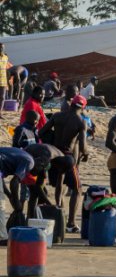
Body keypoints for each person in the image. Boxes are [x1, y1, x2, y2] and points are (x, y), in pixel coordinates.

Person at [38, 95, 89, 233]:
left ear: (71, 104)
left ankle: (59, 209)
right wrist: (87, 154)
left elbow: (41, 132)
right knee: (78, 189)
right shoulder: (81, 122)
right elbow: (83, 147)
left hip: (54, 155)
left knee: (60, 180)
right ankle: (71, 223)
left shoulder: (57, 116)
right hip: (67, 157)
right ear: (83, 107)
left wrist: (52, 140)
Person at [0, 146, 32, 244]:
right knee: (0, 204)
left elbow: (1, 178)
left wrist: (10, 196)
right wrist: (17, 202)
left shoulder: (18, 155)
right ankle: (2, 237)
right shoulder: (30, 162)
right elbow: (14, 182)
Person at [0, 42, 9, 111]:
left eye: (2, 47)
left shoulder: (6, 57)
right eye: (0, 47)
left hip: (3, 80)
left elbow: (6, 69)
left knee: (3, 97)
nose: (1, 49)